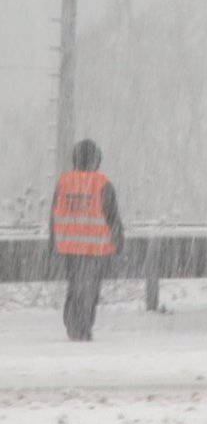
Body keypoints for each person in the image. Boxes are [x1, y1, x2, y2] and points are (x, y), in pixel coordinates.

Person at [49, 139, 124, 341]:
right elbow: (112, 216)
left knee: (75, 286)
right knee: (90, 289)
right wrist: (118, 241)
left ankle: (72, 323)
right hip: (95, 248)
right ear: (96, 159)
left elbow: (54, 214)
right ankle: (83, 327)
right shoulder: (103, 184)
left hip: (70, 246)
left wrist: (53, 242)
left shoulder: (64, 182)